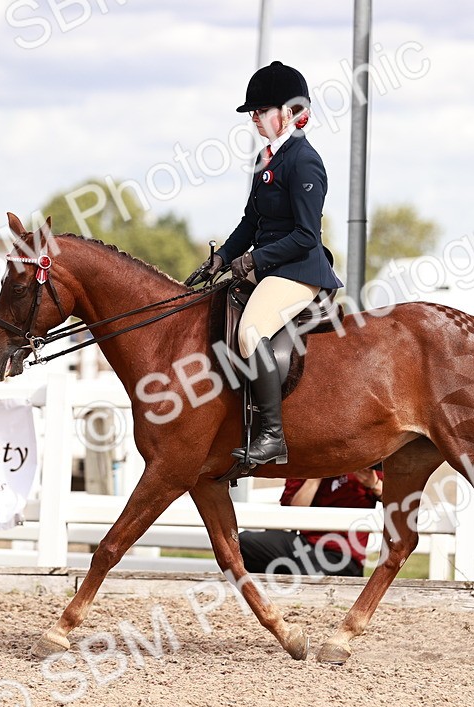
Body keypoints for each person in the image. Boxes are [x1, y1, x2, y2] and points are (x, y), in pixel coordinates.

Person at [201, 61, 344, 467]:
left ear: (288, 112)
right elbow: (252, 221)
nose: (254, 118)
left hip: (299, 271)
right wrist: (223, 257)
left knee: (249, 331)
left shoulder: (304, 162)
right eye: (253, 112)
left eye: (261, 111)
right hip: (271, 268)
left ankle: (271, 435)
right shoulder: (267, 160)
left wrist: (255, 259)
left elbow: (305, 236)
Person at [238, 467, 384, 578]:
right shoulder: (306, 464)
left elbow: (400, 506)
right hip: (304, 543)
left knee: (306, 574)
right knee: (242, 544)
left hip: (342, 554)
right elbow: (292, 515)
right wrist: (316, 477)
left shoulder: (366, 464)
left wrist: (374, 484)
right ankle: (262, 592)